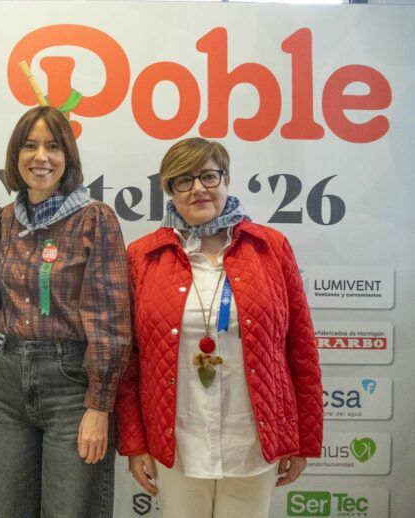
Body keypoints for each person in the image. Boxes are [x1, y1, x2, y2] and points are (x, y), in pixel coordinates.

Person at [115, 137, 323, 518]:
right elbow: (129, 360)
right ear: (169, 191)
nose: (198, 188)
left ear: (226, 180)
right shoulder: (142, 257)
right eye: (184, 180)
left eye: (209, 176)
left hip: (253, 443)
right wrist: (134, 443)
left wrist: (305, 441)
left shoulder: (272, 248)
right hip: (176, 444)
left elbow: (302, 349)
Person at [0, 106, 131, 518]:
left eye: (52, 146)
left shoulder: (94, 218)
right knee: (8, 510)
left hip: (72, 385)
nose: (40, 157)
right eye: (29, 146)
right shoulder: (8, 218)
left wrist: (99, 406)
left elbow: (111, 321)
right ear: (16, 155)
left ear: (68, 157)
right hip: (9, 382)